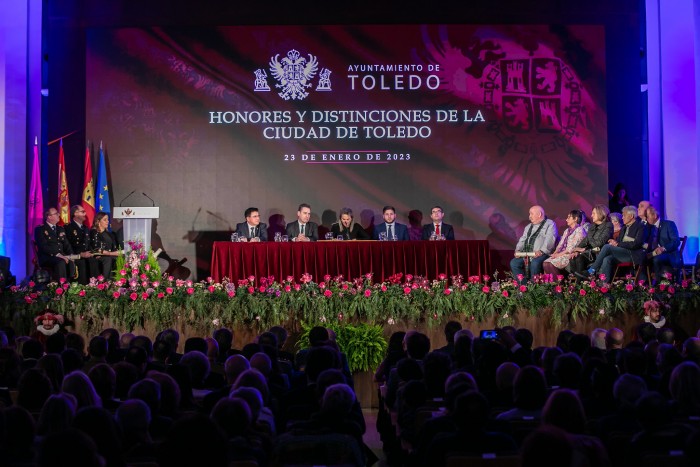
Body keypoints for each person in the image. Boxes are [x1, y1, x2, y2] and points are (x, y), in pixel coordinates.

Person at [586, 205, 652, 281]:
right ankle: (604, 285)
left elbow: (637, 243)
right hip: (622, 253)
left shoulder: (640, 226)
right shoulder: (624, 228)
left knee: (607, 247)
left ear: (631, 216)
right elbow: (619, 242)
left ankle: (591, 270)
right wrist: (615, 242)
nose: (622, 218)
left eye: (624, 215)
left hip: (633, 254)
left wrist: (617, 244)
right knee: (607, 259)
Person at [510, 205, 559, 280]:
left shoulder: (550, 224)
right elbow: (522, 239)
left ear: (539, 214)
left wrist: (541, 251)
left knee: (535, 263)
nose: (529, 216)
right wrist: (518, 250)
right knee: (514, 263)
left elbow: (550, 239)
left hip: (543, 253)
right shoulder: (528, 226)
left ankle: (534, 287)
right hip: (527, 253)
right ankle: (524, 286)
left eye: (531, 214)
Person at [569, 204, 613, 277]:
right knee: (574, 258)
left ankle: (585, 278)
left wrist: (585, 248)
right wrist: (576, 250)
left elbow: (599, 244)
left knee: (580, 258)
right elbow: (585, 240)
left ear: (600, 213)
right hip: (590, 250)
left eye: (593, 213)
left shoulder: (608, 225)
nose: (591, 215)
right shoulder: (592, 226)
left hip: (599, 250)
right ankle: (579, 282)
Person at [34, 207, 76, 281]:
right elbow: (43, 247)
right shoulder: (40, 229)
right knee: (61, 262)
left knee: (73, 260)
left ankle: (72, 286)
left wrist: (71, 255)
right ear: (49, 217)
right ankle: (61, 287)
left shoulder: (60, 228)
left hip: (61, 256)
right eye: (56, 213)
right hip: (47, 257)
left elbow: (66, 244)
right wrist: (58, 254)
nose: (59, 215)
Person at [543, 209, 586, 275]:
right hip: (562, 253)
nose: (566, 219)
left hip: (570, 254)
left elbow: (571, 248)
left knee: (549, 264)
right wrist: (554, 254)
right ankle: (551, 283)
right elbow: (560, 244)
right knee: (545, 263)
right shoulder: (567, 230)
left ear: (575, 219)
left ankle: (559, 283)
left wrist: (558, 255)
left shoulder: (580, 230)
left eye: (569, 217)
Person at [645, 206, 682, 282]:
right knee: (639, 258)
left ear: (655, 216)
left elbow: (676, 241)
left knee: (656, 259)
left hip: (669, 253)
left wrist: (663, 248)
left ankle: (658, 284)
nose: (646, 219)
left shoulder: (669, 224)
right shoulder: (649, 227)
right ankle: (643, 283)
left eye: (648, 216)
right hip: (653, 253)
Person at [64, 205, 96, 284]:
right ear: (75, 213)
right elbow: (68, 245)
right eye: (83, 212)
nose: (85, 214)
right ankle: (81, 289)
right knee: (82, 262)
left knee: (94, 260)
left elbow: (88, 244)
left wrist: (94, 252)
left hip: (86, 254)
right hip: (74, 255)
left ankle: (94, 287)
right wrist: (80, 254)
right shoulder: (68, 228)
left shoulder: (85, 228)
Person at [89, 211, 120, 278]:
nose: (107, 221)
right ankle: (106, 282)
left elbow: (114, 248)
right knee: (108, 259)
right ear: (98, 221)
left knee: (120, 258)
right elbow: (96, 249)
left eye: (108, 219)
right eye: (105, 220)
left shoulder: (110, 234)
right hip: (99, 256)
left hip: (109, 255)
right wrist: (111, 253)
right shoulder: (94, 232)